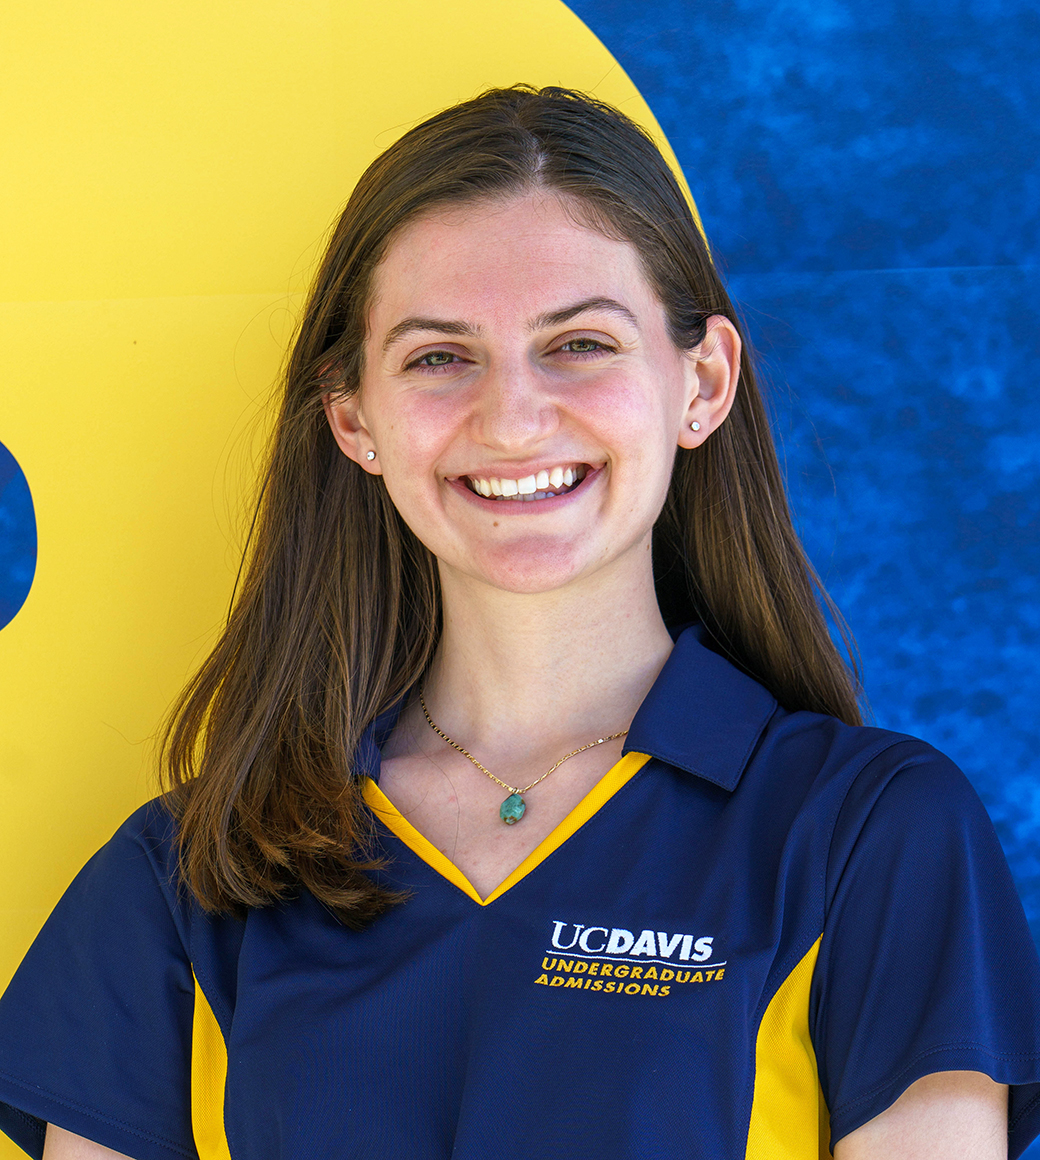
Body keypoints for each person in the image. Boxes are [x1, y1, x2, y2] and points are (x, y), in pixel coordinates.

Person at [1, 85, 1038, 1160]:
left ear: (702, 381)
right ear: (354, 420)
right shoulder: (188, 881)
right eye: (438, 357)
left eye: (578, 343)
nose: (511, 417)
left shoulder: (865, 835)